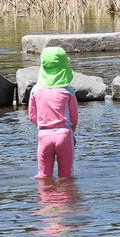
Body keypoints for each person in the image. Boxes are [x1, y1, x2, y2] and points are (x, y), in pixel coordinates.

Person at [27, 47, 79, 179]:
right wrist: (70, 133)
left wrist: (43, 125)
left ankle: (45, 193)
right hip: (64, 134)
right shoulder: (68, 92)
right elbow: (74, 118)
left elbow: (32, 116)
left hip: (44, 135)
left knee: (43, 176)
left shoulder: (35, 91)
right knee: (66, 177)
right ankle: (65, 192)